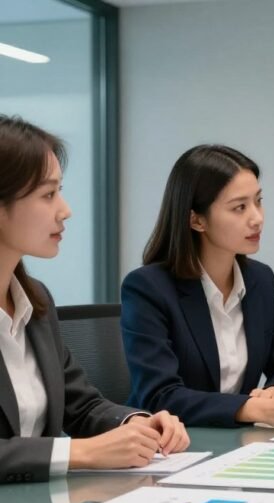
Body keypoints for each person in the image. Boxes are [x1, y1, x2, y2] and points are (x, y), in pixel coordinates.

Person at [0, 115, 189, 483]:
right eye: (48, 194)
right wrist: (80, 451)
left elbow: (80, 404)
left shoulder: (35, 300)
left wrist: (137, 423)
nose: (65, 210)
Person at [121, 145, 274, 428]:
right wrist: (251, 408)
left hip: (237, 445)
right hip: (171, 448)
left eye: (258, 201)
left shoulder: (260, 281)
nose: (257, 217)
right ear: (197, 220)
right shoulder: (148, 288)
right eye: (239, 207)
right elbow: (160, 396)